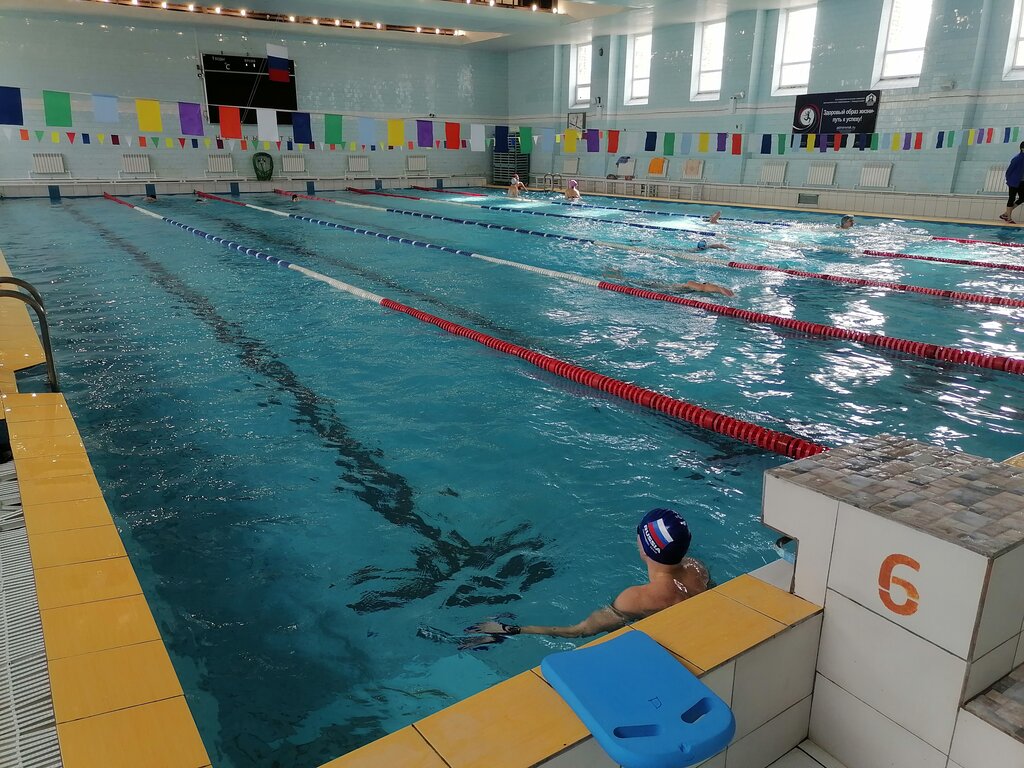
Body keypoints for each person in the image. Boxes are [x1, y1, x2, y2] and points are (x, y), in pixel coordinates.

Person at [460, 508, 709, 649]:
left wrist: (511, 630)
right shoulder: (697, 570)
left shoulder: (636, 598)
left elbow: (577, 631)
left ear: (645, 547)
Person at [603, 268, 734, 297]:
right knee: (635, 284)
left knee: (637, 283)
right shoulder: (693, 284)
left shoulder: (693, 286)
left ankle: (618, 276)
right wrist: (727, 293)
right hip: (664, 288)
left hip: (666, 287)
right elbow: (710, 289)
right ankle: (618, 277)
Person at [1001, 141, 1024, 223]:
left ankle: (1006, 214)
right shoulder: (1017, 159)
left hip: (1021, 182)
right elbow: (1009, 171)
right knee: (1012, 198)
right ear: (1022, 149)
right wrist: (1009, 181)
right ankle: (1008, 218)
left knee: (1022, 198)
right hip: (1014, 182)